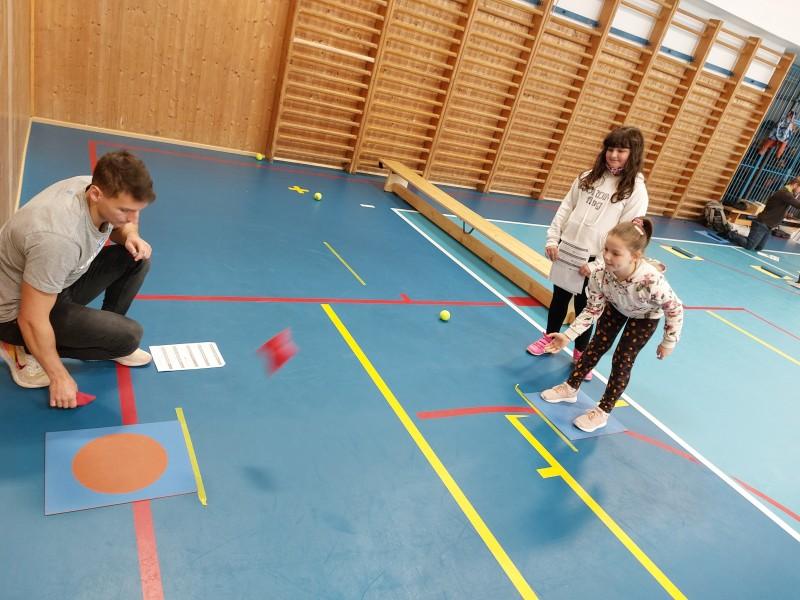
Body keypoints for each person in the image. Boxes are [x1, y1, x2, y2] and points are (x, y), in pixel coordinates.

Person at [0, 150, 155, 409]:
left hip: (55, 282)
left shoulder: (92, 186)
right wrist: (59, 376)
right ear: (96, 194)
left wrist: (131, 234)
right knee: (129, 337)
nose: (132, 218)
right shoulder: (58, 240)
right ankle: (19, 347)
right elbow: (31, 318)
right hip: (14, 314)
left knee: (136, 258)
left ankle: (107, 338)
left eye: (137, 211)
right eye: (125, 210)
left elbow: (121, 227)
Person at [526, 126, 649, 382]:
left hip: (596, 260)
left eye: (621, 150)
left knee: (587, 307)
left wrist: (598, 265)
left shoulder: (635, 190)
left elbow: (626, 234)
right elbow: (566, 207)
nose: (613, 155)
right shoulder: (588, 177)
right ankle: (549, 338)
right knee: (559, 299)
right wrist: (553, 239)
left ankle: (581, 355)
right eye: (610, 149)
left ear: (633, 153)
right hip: (568, 249)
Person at [538, 218, 683, 432]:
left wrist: (668, 342)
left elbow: (675, 309)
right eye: (606, 249)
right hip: (617, 306)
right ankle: (570, 388)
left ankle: (603, 411)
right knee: (595, 346)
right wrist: (568, 336)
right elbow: (592, 309)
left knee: (622, 359)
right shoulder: (600, 275)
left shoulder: (652, 281)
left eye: (616, 253)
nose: (607, 256)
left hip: (645, 316)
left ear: (635, 256)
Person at [727, 176, 800, 251]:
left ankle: (746, 238)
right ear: (795, 185)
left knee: (759, 247)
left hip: (769, 226)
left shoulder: (787, 194)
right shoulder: (785, 193)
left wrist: (786, 215)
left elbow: (777, 208)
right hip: (762, 223)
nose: (799, 191)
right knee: (749, 246)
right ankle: (729, 233)